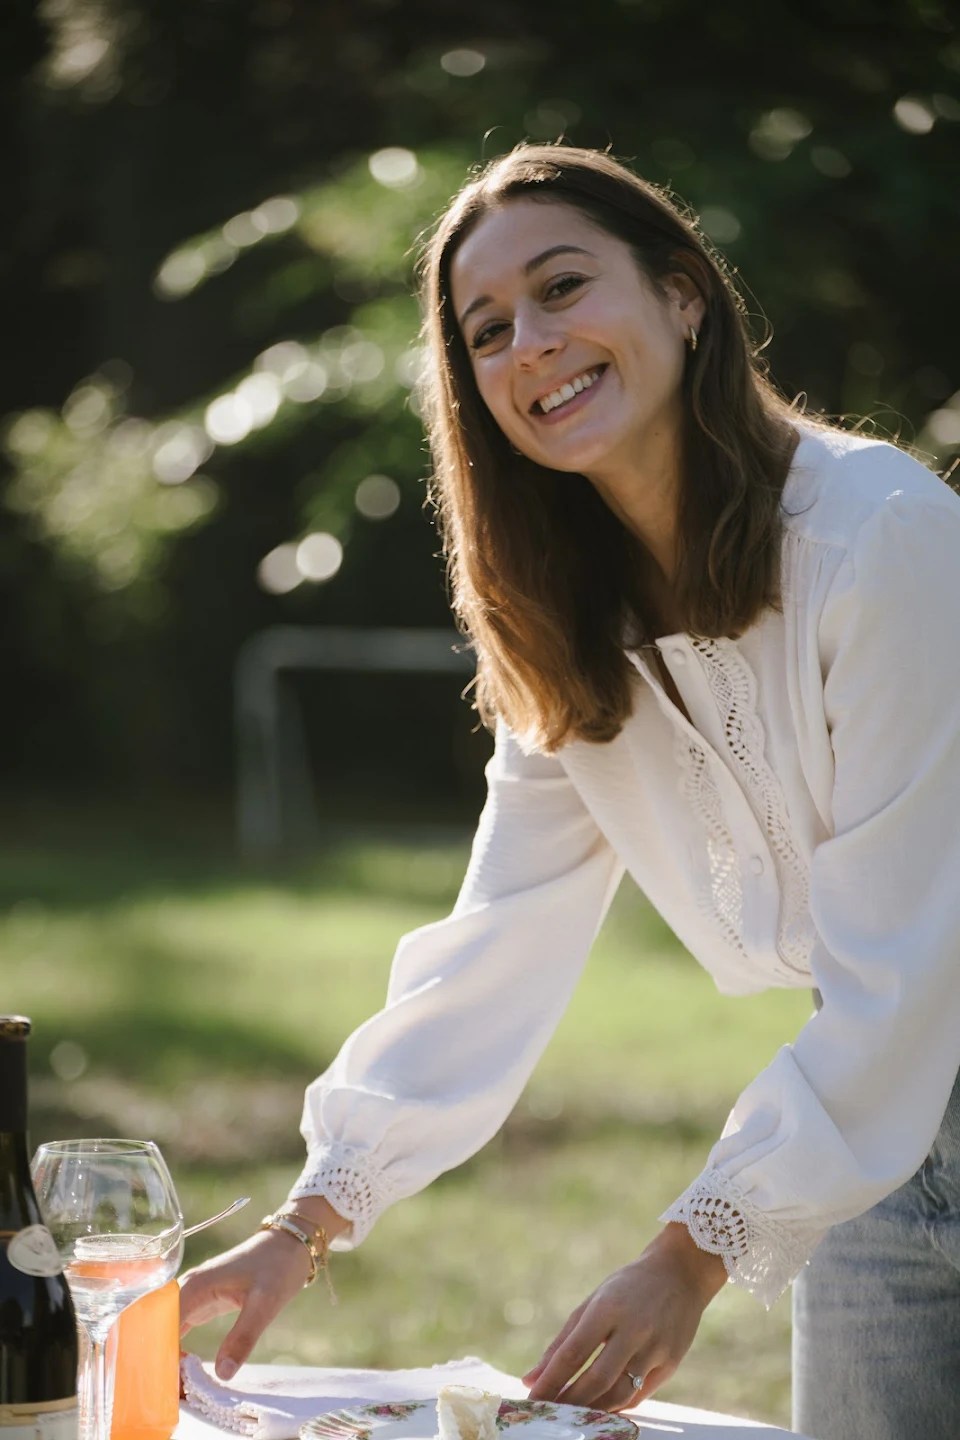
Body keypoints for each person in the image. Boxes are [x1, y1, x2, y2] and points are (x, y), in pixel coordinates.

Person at [178, 144, 960, 1440]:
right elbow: (495, 942)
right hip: (872, 1158)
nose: (530, 343)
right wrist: (303, 1224)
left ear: (684, 297)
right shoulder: (571, 630)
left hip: (888, 1061)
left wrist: (690, 1253)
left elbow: (911, 964)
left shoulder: (877, 535)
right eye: (488, 330)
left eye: (562, 287)